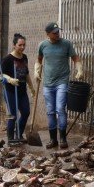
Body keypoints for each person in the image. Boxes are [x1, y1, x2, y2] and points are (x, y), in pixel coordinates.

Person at [35, 22, 83, 150]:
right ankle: (53, 139)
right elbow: (39, 60)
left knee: (60, 109)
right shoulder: (43, 45)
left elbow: (76, 58)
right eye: (54, 33)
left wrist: (79, 70)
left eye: (58, 32)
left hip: (62, 82)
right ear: (48, 34)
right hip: (47, 84)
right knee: (50, 112)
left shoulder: (66, 44)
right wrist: (37, 70)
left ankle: (62, 138)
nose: (57, 34)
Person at [2, 33, 35, 141]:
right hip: (10, 91)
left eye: (24, 45)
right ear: (14, 45)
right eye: (20, 45)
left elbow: (26, 74)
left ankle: (19, 134)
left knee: (26, 112)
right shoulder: (8, 59)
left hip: (21, 91)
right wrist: (10, 79)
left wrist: (31, 88)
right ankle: (11, 138)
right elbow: (1, 75)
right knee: (13, 115)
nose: (22, 47)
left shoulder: (24, 57)